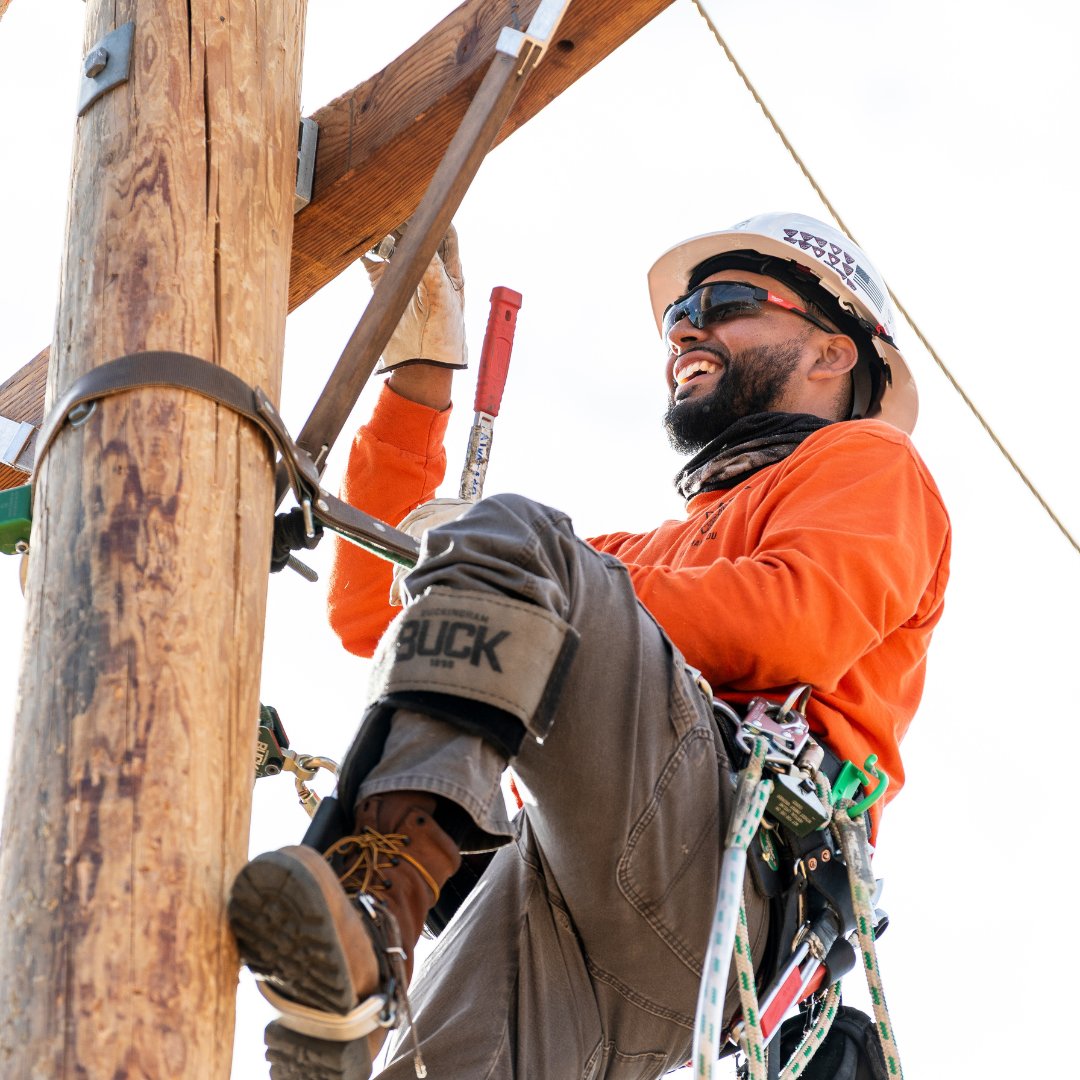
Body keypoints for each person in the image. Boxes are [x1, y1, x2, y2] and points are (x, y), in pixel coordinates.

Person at [229, 213, 951, 1079]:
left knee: (523, 541)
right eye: (679, 313)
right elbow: (375, 617)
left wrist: (531, 570)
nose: (685, 326)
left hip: (727, 869)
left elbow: (787, 625)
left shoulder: (870, 464)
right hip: (589, 911)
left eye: (722, 302)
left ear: (832, 352)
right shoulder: (632, 558)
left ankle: (383, 898)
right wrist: (419, 374)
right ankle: (362, 973)